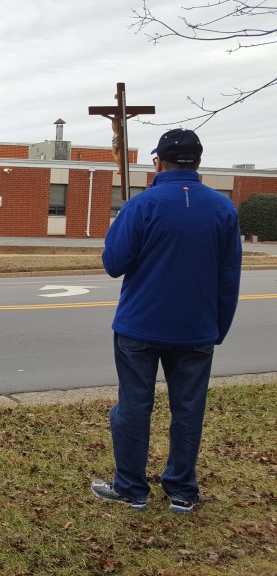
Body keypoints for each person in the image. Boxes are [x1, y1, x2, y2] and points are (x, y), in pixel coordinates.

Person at [92, 128, 242, 513]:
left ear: (159, 161)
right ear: (198, 161)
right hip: (197, 329)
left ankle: (131, 487)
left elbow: (113, 264)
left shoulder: (142, 206)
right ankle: (181, 489)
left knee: (133, 407)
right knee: (189, 409)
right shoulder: (224, 209)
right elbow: (229, 276)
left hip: (140, 324)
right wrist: (217, 328)